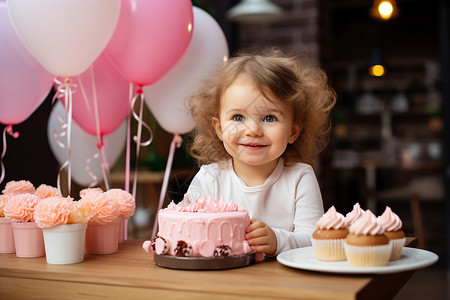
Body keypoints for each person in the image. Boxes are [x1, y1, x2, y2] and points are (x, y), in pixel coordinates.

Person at [185, 48, 336, 256]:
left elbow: (315, 239)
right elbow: (184, 226)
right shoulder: (210, 179)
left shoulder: (300, 178)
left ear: (293, 131)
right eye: (238, 117)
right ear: (219, 128)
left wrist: (278, 240)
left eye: (269, 118)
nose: (253, 130)